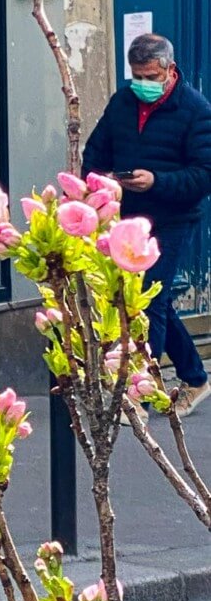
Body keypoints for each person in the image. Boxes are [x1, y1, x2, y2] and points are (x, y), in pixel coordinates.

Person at [83, 33, 211, 419]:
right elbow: (94, 153)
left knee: (148, 300)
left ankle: (137, 390)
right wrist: (104, 181)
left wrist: (157, 181)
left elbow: (203, 176)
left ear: (170, 71)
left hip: (172, 218)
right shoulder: (122, 102)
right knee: (152, 300)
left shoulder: (195, 110)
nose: (143, 83)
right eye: (137, 75)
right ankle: (195, 378)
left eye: (151, 75)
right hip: (126, 216)